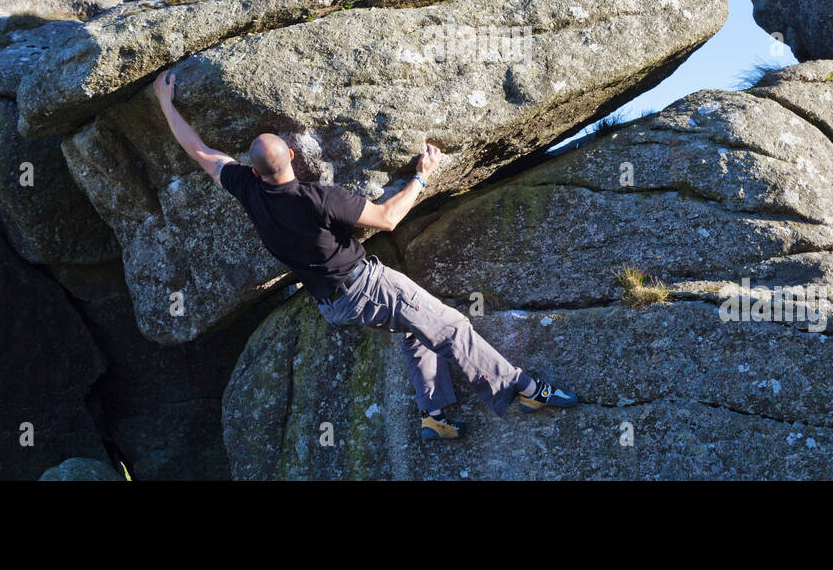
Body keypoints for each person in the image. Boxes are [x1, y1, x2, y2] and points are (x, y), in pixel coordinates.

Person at [152, 68, 577, 441]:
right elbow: (388, 218)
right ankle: (523, 388)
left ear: (256, 170)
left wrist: (165, 104)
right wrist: (421, 178)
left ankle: (434, 416)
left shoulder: (247, 190)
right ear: (294, 157)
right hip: (367, 287)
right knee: (451, 326)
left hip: (332, 304)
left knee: (417, 329)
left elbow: (200, 152)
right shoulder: (318, 198)